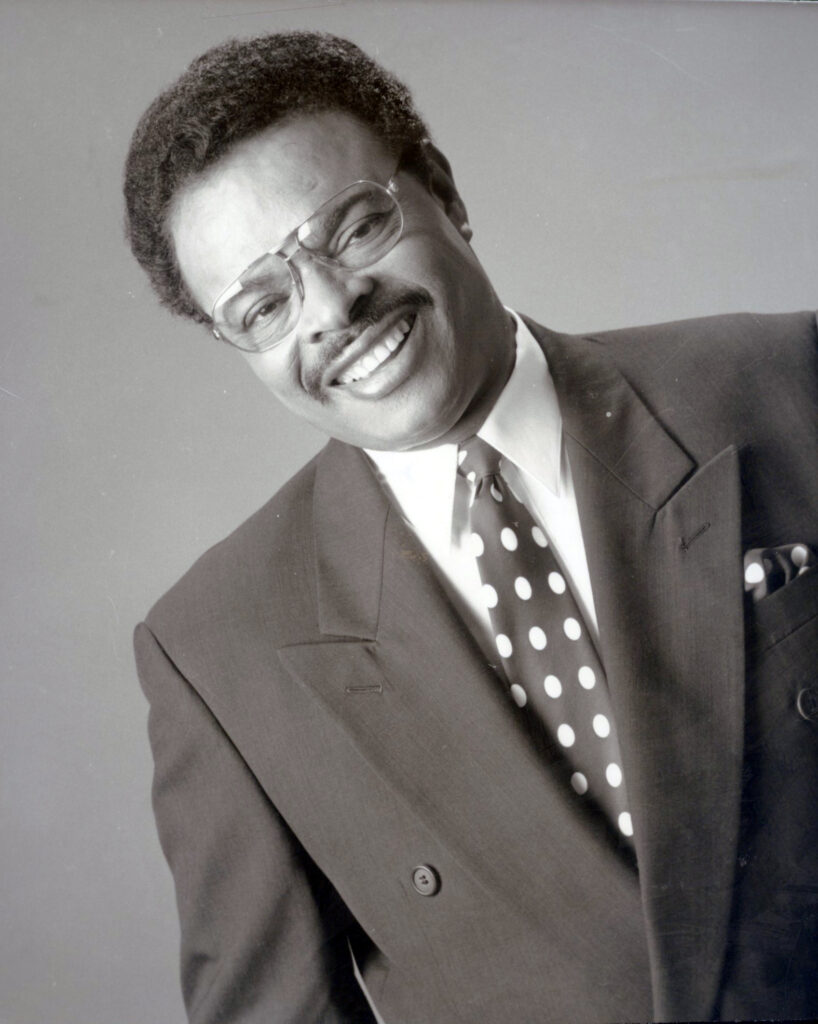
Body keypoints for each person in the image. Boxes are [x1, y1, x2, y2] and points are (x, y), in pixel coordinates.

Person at [124, 30, 818, 1024]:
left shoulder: (785, 379)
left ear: (443, 193)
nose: (334, 309)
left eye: (353, 231)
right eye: (264, 306)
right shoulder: (217, 648)